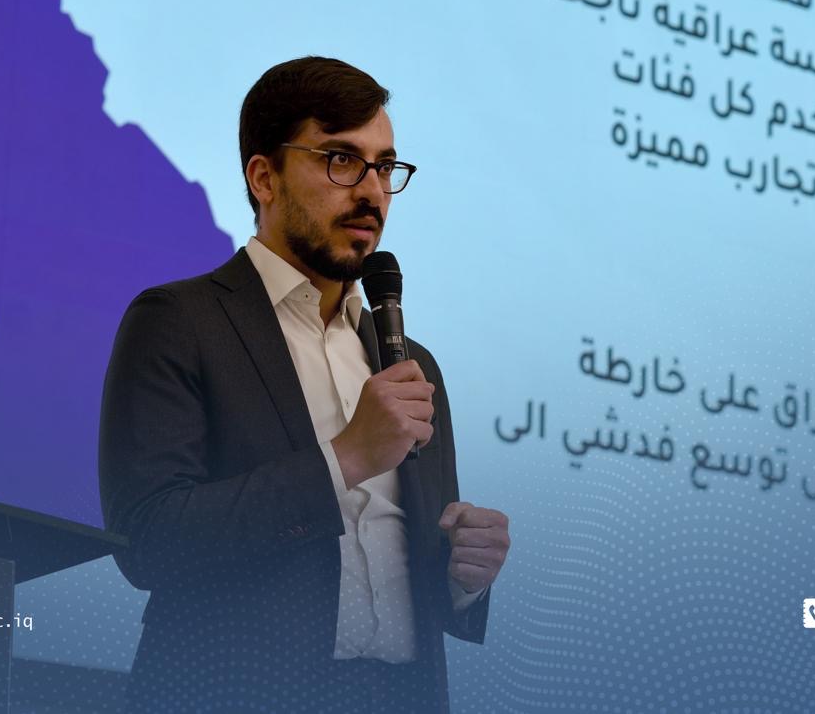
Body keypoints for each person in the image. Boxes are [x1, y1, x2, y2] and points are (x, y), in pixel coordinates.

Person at [99, 56, 510, 713]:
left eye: (385, 168)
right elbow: (149, 542)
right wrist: (346, 457)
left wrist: (465, 575)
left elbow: (410, 572)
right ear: (264, 177)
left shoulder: (412, 364)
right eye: (342, 160)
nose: (372, 192)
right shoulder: (180, 321)